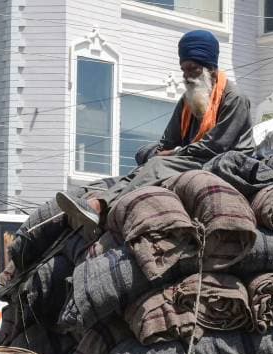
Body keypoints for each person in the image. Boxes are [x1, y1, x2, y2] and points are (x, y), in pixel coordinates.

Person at [57, 29, 254, 230]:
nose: (186, 76)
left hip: (225, 162)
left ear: (210, 69)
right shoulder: (188, 99)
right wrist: (159, 153)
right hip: (195, 156)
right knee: (148, 159)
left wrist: (173, 154)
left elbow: (215, 146)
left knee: (158, 166)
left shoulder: (234, 98)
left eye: (192, 69)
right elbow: (168, 140)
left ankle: (103, 207)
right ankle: (100, 201)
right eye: (183, 70)